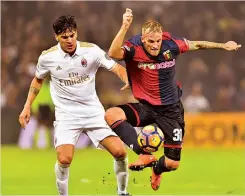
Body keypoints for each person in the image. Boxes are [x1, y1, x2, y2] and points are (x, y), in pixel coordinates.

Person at [104, 8, 242, 191]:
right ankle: (144, 154)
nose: (155, 45)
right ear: (143, 39)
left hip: (171, 111)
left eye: (158, 41)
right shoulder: (134, 47)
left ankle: (158, 170)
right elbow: (113, 53)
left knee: (172, 164)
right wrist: (124, 26)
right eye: (151, 42)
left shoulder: (172, 45)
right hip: (146, 107)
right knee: (111, 115)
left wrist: (223, 45)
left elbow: (197, 45)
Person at [19, 15, 130, 196]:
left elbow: (116, 67)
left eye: (72, 35)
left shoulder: (91, 51)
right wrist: (26, 106)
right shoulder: (48, 58)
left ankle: (123, 192)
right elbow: (38, 80)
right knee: (64, 158)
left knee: (120, 152)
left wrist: (126, 79)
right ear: (56, 37)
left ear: (76, 33)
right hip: (66, 115)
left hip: (93, 112)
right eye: (64, 37)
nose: (69, 40)